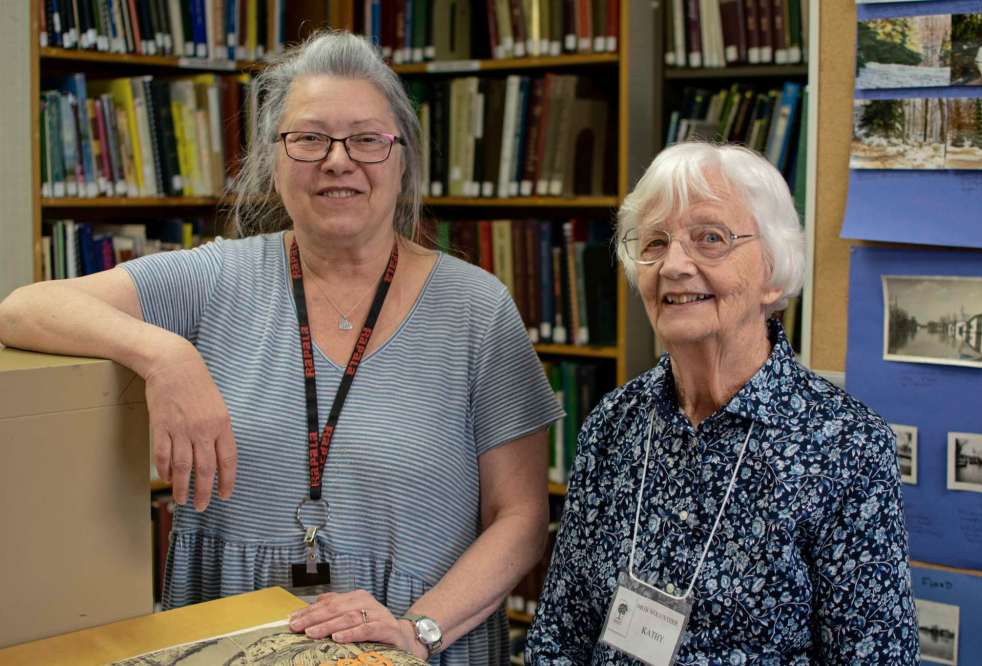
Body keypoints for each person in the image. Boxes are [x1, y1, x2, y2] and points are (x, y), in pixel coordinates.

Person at [0, 31, 562, 665]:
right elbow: (24, 309)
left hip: (410, 642)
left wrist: (420, 628)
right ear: (272, 159)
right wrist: (166, 356)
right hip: (231, 638)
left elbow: (521, 516)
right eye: (309, 138)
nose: (337, 160)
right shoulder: (215, 279)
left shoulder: (477, 309)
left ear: (403, 159)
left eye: (366, 139)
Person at [525, 143, 918, 663]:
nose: (674, 265)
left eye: (710, 238)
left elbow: (876, 658)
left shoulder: (845, 445)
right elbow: (559, 632)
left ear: (773, 272)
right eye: (655, 242)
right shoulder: (613, 424)